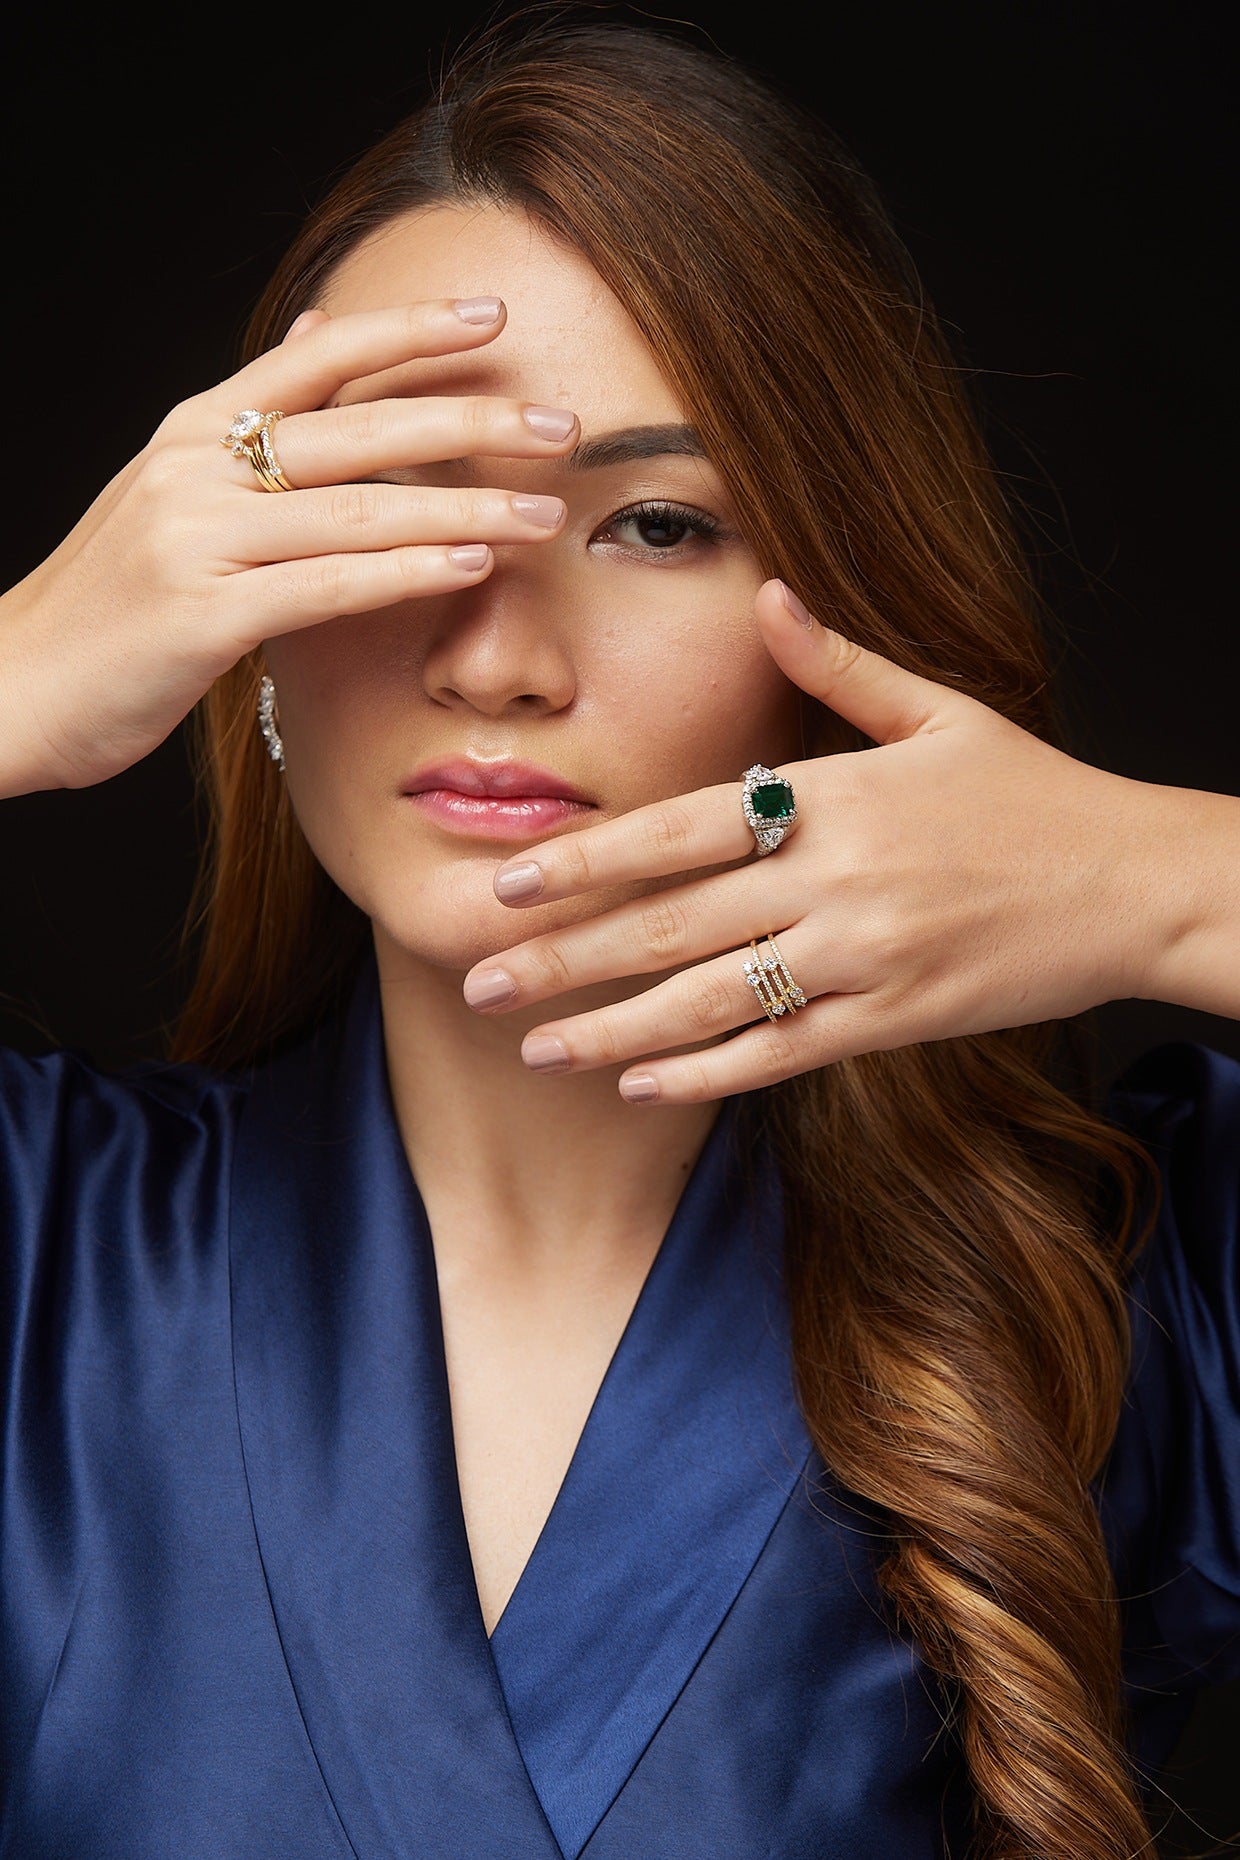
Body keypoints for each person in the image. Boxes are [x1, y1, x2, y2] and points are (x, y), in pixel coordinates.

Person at [1, 14, 1236, 1860]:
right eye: (396, 508)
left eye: (656, 524)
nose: (498, 658)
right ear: (227, 604)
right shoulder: (40, 1259)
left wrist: (1158, 876)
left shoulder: (1117, 1314)